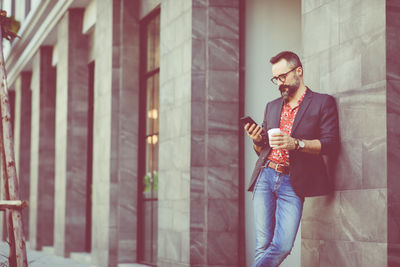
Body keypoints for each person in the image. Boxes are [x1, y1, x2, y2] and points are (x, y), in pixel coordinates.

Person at [244, 51, 339, 267]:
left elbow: (331, 144)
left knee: (283, 245)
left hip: (293, 181)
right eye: (275, 79)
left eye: (283, 76)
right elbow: (262, 149)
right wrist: (257, 140)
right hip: (265, 175)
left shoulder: (323, 102)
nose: (279, 83)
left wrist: (296, 143)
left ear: (299, 71)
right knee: (263, 245)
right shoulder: (272, 106)